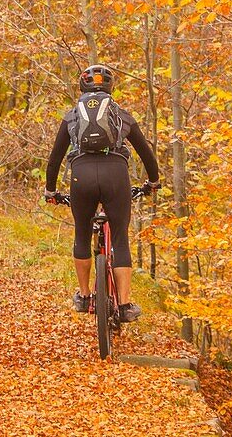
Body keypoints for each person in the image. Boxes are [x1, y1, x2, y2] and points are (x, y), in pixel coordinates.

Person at [44, 64, 160, 323]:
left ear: (82, 87)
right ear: (111, 88)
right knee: (119, 238)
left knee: (82, 233)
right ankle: (126, 305)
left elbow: (54, 159)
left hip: (81, 175)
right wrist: (152, 182)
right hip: (115, 174)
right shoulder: (121, 115)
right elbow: (146, 154)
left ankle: (84, 296)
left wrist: (50, 189)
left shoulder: (72, 115)